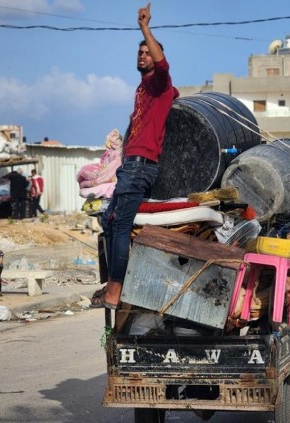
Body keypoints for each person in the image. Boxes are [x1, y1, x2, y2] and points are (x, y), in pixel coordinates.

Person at [96, 3, 179, 309]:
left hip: (140, 167)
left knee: (119, 225)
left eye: (147, 52)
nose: (142, 55)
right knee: (108, 218)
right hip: (130, 166)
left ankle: (116, 291)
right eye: (139, 52)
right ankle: (120, 280)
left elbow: (165, 69)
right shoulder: (146, 88)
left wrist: (144, 27)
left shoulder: (159, 82)